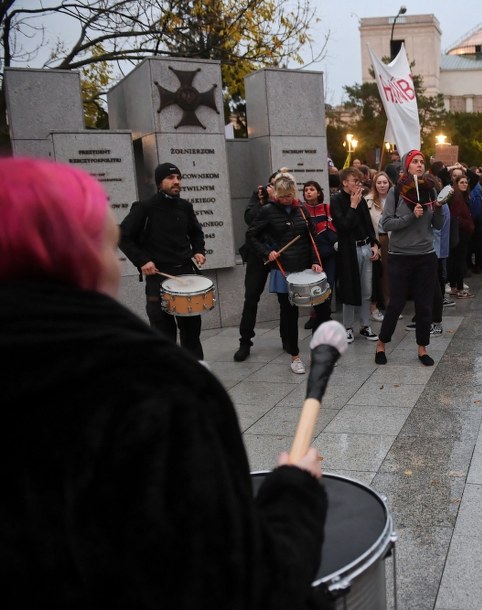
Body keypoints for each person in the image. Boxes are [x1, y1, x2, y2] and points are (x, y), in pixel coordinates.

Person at [0, 157, 328, 607]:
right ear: (87, 255)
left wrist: (196, 250)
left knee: (186, 336)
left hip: (183, 273)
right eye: (106, 242)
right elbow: (244, 580)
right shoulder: (156, 394)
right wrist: (294, 490)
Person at [119, 162, 207, 361]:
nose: (176, 182)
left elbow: (195, 232)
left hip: (185, 273)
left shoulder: (185, 206)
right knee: (163, 332)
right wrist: (143, 261)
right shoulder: (145, 207)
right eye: (170, 178)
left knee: (191, 331)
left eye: (178, 177)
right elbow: (123, 236)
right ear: (160, 183)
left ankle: (195, 373)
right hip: (158, 276)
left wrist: (199, 250)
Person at [246, 172, 329, 373]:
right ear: (275, 194)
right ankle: (295, 356)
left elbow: (312, 238)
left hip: (306, 268)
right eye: (282, 196)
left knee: (323, 310)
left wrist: (316, 261)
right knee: (289, 315)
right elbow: (251, 235)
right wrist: (267, 252)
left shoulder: (301, 209)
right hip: (283, 270)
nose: (285, 200)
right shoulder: (267, 210)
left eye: (289, 196)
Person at [375, 149, 445, 367]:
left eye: (421, 161)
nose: (419, 164)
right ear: (407, 165)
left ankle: (422, 348)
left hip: (425, 256)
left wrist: (440, 209)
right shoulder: (397, 192)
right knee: (396, 303)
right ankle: (381, 343)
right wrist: (409, 216)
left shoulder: (430, 191)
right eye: (414, 161)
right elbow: (385, 225)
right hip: (400, 256)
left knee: (424, 305)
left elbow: (438, 225)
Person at [331, 167, 380, 344]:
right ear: (345, 182)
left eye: (359, 181)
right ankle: (347, 327)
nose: (358, 184)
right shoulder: (337, 200)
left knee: (367, 290)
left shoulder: (361, 199)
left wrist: (375, 243)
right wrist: (352, 205)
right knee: (349, 289)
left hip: (365, 247)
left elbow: (367, 224)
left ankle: (365, 325)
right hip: (348, 251)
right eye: (354, 181)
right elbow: (343, 226)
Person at [235, 170, 278, 361]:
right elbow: (250, 220)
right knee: (251, 298)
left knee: (286, 300)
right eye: (273, 184)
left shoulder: (286, 199)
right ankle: (245, 342)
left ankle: (287, 339)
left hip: (279, 254)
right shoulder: (259, 196)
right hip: (257, 256)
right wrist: (264, 202)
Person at [301, 180, 337, 331]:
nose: (308, 192)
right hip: (312, 255)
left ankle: (325, 316)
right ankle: (314, 316)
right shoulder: (301, 210)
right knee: (314, 286)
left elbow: (335, 227)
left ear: (319, 193)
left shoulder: (327, 208)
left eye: (312, 189)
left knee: (328, 285)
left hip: (329, 253)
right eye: (306, 190)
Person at [366, 172, 391, 321]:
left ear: (389, 184)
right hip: (374, 239)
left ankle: (389, 302)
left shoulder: (395, 199)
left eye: (385, 182)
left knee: (389, 272)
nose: (382, 185)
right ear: (375, 185)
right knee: (375, 273)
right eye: (379, 183)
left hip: (391, 239)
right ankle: (375, 304)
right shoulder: (367, 200)